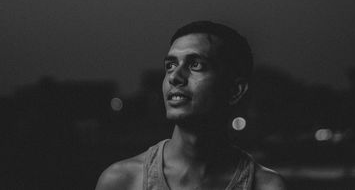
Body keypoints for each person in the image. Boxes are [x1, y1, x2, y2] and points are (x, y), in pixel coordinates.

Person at [95, 21, 286, 190]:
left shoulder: (265, 186)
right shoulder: (122, 182)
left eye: (196, 65)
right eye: (170, 65)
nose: (174, 77)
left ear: (235, 90)